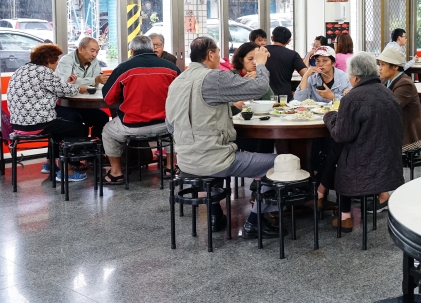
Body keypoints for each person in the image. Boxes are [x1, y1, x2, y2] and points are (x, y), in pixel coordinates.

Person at [165, 37, 282, 239]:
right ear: (210, 54)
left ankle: (215, 215)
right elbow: (260, 88)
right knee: (282, 163)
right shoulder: (213, 77)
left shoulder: (178, 81)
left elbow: (170, 124)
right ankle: (254, 222)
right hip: (216, 159)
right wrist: (261, 64)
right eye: (218, 52)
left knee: (213, 155)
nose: (220, 57)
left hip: (185, 159)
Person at [321, 52, 404, 232]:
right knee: (340, 151)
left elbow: (341, 135)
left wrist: (329, 117)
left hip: (363, 163)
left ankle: (344, 216)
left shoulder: (352, 98)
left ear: (356, 77)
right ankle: (321, 194)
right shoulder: (387, 93)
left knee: (337, 153)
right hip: (387, 160)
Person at [101, 36, 181, 185]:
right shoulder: (171, 68)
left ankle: (116, 173)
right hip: (165, 125)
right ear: (152, 49)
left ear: (132, 51)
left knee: (107, 131)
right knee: (172, 127)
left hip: (133, 127)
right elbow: (182, 94)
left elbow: (109, 98)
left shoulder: (124, 68)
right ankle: (170, 167)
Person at [7, 43, 89, 182]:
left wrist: (67, 85)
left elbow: (56, 87)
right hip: (38, 123)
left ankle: (50, 164)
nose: (57, 64)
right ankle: (67, 171)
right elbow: (66, 90)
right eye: (56, 60)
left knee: (61, 126)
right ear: (48, 60)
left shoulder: (21, 70)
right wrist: (79, 88)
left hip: (18, 124)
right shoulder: (44, 72)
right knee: (79, 128)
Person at [54, 36, 109, 138]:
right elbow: (66, 82)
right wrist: (94, 80)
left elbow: (97, 80)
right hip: (64, 104)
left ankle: (95, 149)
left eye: (97, 51)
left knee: (102, 117)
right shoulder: (66, 61)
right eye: (92, 51)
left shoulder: (94, 61)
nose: (94, 54)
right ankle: (76, 151)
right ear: (81, 49)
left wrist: (95, 80)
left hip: (84, 104)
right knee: (75, 119)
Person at [377, 47, 421, 152]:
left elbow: (390, 107)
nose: (379, 68)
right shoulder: (386, 80)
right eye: (379, 65)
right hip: (394, 130)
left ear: (395, 66)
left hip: (408, 136)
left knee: (374, 150)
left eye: (383, 65)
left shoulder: (405, 83)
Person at [265, 26, 307, 101]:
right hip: (284, 97)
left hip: (263, 96)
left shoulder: (261, 51)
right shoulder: (293, 54)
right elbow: (306, 74)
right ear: (288, 41)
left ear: (272, 38)